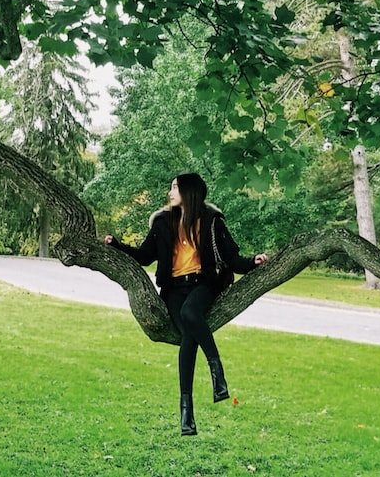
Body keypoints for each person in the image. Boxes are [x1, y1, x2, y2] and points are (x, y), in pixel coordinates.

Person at [104, 173, 268, 436]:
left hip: (203, 284)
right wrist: (118, 246)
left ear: (189, 191)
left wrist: (253, 262)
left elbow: (232, 258)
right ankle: (187, 409)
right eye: (170, 187)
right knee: (188, 338)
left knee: (191, 314)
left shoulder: (212, 221)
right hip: (173, 289)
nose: (170, 192)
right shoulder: (161, 222)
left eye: (175, 187)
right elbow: (145, 257)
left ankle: (215, 374)